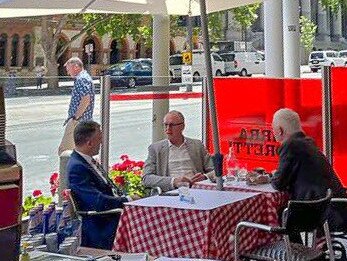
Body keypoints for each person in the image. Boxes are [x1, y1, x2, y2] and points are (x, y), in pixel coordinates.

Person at [271, 108, 347, 232]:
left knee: (280, 213)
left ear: (279, 130)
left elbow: (279, 183)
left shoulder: (291, 145)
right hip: (337, 208)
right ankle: (298, 249)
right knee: (286, 212)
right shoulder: (307, 143)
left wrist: (270, 177)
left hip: (323, 213)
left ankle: (293, 249)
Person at [67, 120, 133, 249]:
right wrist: (127, 200)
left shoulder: (87, 161)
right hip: (102, 223)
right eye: (99, 139)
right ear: (89, 142)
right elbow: (97, 201)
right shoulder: (77, 167)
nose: (101, 143)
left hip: (111, 215)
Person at [142, 110, 215, 192]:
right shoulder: (155, 149)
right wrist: (173, 181)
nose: (168, 129)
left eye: (172, 125)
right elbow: (146, 178)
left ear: (182, 126)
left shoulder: (196, 145)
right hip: (170, 193)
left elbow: (215, 171)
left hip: (197, 189)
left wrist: (205, 177)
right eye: (165, 125)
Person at [58, 57, 95, 156]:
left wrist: (76, 117)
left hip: (78, 122)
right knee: (80, 152)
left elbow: (86, 99)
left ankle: (68, 171)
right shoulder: (84, 77)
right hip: (83, 121)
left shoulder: (81, 79)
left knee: (65, 151)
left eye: (68, 69)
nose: (67, 72)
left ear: (76, 67)